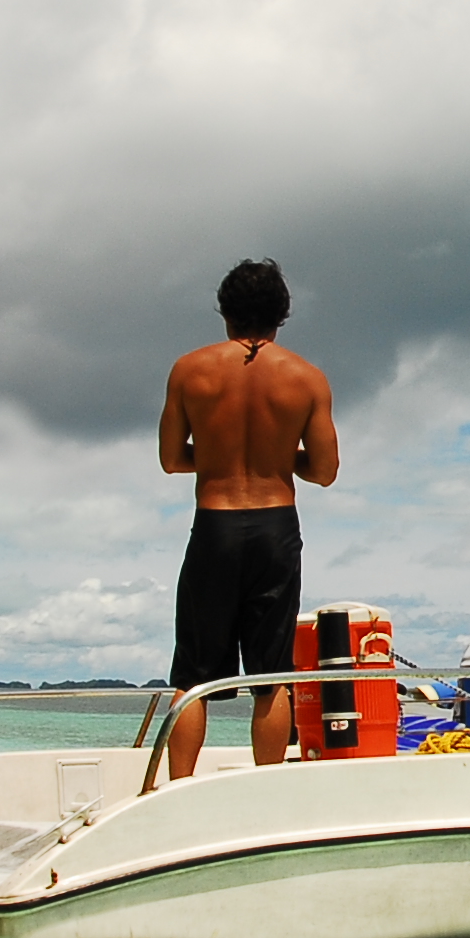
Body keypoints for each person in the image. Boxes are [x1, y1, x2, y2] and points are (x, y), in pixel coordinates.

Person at [158, 258, 339, 780]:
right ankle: (265, 791)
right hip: (274, 528)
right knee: (272, 676)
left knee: (194, 678)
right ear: (281, 315)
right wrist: (276, 458)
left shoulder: (189, 371)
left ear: (225, 313)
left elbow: (172, 458)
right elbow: (324, 472)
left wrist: (216, 458)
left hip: (214, 526)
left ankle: (180, 790)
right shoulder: (306, 378)